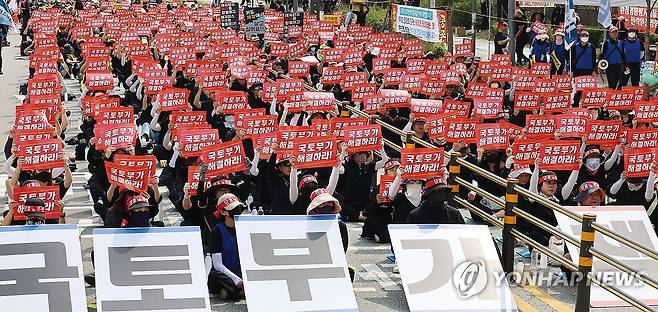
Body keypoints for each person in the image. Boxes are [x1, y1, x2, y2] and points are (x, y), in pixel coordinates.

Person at [208, 193, 246, 300]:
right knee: (214, 277)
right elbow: (217, 264)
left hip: (241, 274)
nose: (238, 210)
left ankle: (233, 292)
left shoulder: (244, 228)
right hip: (225, 276)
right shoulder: (217, 231)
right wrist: (236, 280)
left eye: (238, 207)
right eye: (233, 208)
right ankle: (239, 292)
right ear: (223, 212)